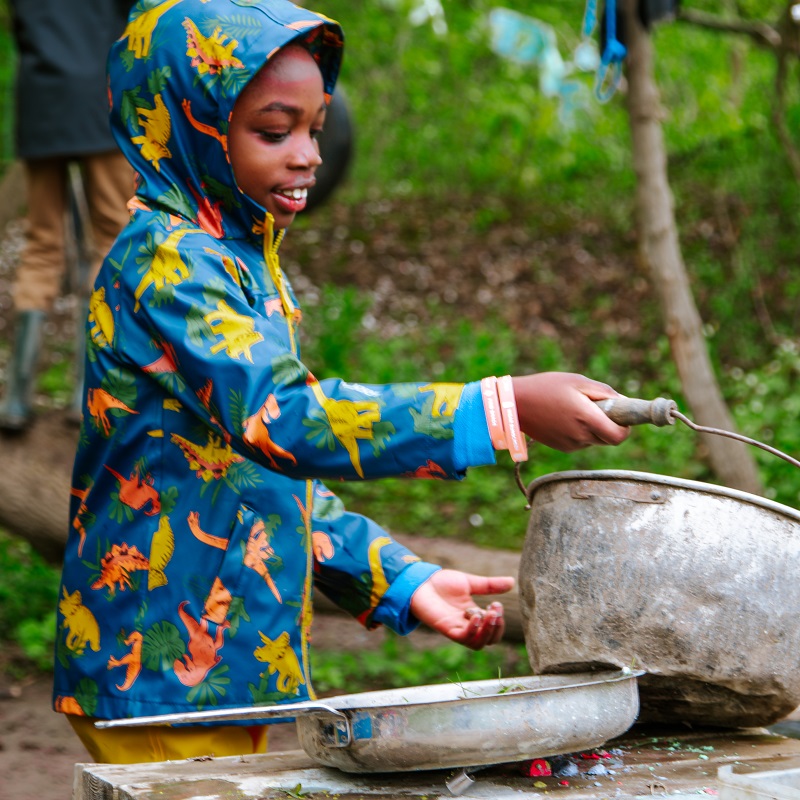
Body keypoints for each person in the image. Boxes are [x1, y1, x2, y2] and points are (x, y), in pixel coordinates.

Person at [52, 0, 630, 765]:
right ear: (192, 121)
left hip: (238, 669)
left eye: (315, 128)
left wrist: (398, 578)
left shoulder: (239, 262)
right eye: (273, 130)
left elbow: (260, 478)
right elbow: (285, 422)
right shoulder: (170, 263)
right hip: (159, 676)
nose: (308, 155)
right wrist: (500, 407)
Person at [0, 0, 134, 431]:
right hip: (100, 101)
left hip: (42, 103)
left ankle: (18, 399)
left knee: (41, 242)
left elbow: (19, 27)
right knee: (110, 239)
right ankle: (84, 394)